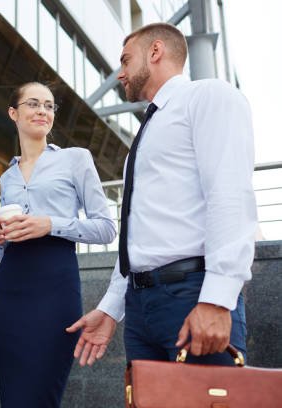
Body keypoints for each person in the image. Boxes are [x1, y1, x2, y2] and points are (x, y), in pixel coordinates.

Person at [67, 23, 256, 367]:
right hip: (140, 309)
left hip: (193, 294)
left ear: (155, 52)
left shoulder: (209, 96)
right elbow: (137, 235)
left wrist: (217, 299)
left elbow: (229, 196)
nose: (120, 73)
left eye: (125, 60)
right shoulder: (149, 129)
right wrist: (111, 308)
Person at [0, 82, 116, 407]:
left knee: (43, 396)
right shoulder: (7, 176)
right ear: (13, 113)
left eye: (48, 105)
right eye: (33, 104)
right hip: (9, 291)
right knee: (13, 397)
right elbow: (2, 251)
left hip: (55, 287)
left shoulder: (76, 159)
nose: (43, 111)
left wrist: (50, 224)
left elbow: (105, 228)